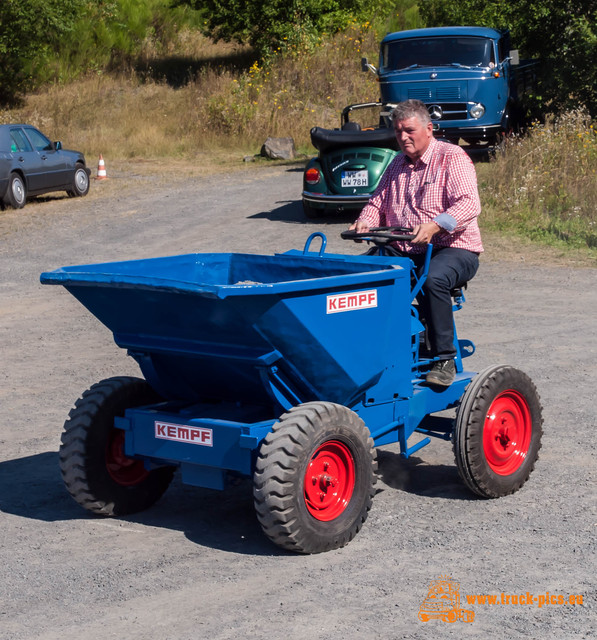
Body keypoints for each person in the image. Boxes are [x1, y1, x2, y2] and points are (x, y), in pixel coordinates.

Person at [350, 99, 483, 386]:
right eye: (398, 132)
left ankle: (444, 358)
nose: (403, 137)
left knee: (433, 278)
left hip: (454, 247)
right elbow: (377, 202)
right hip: (406, 248)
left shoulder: (452, 157)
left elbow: (469, 203)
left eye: (409, 130)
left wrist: (436, 225)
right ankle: (371, 351)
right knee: (363, 274)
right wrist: (365, 221)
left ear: (429, 128)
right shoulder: (396, 163)